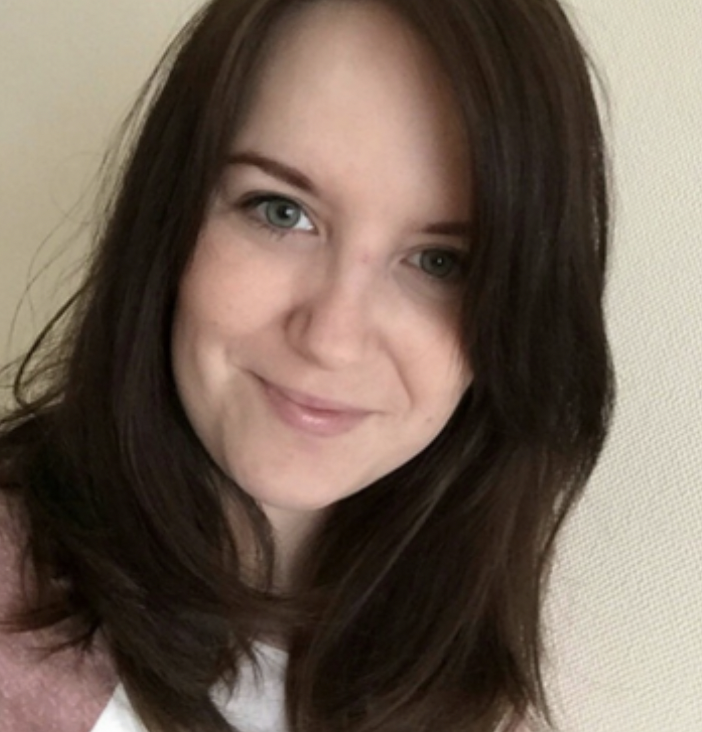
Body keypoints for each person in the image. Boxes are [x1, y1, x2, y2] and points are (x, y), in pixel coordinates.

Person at [0, 0, 615, 730]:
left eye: (440, 261)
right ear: (170, 214)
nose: (332, 338)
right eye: (280, 211)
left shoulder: (486, 697)